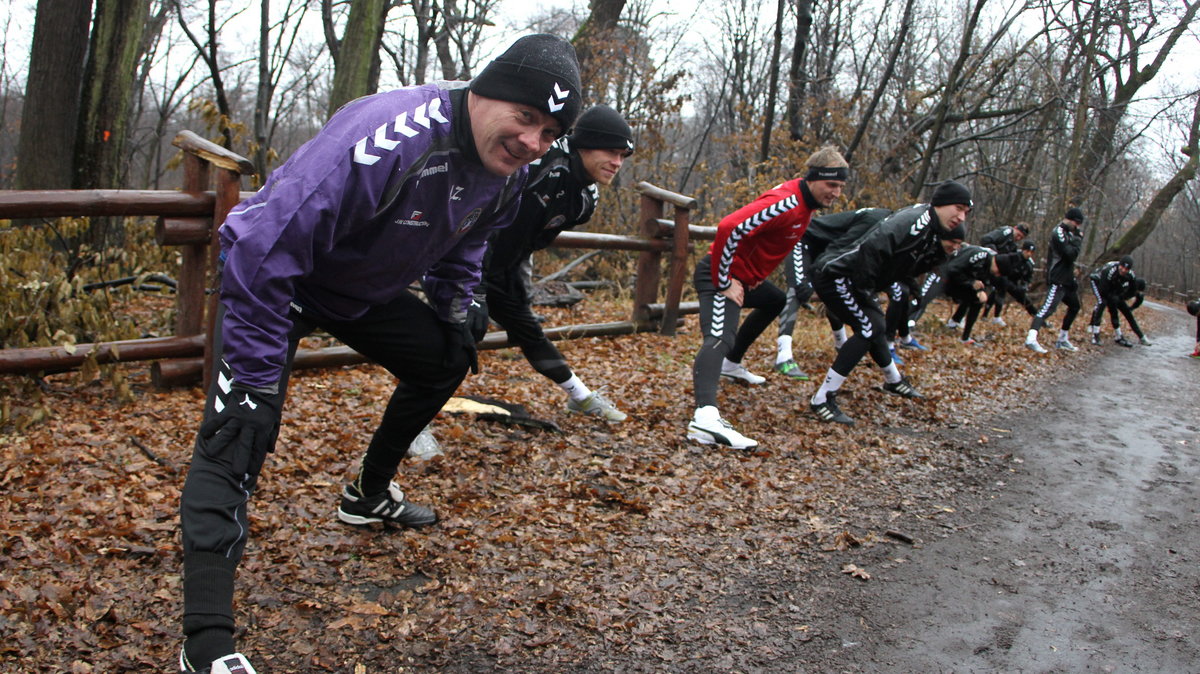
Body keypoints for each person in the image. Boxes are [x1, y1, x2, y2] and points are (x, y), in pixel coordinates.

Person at [176, 34, 583, 674]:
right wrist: (254, 380)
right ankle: (207, 645)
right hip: (278, 277)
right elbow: (258, 244)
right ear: (484, 92)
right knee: (238, 432)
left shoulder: (513, 171)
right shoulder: (392, 133)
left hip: (361, 290)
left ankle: (366, 495)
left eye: (550, 132)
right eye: (525, 117)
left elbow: (467, 239)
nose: (533, 141)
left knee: (445, 360)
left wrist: (455, 310)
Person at [686, 146, 848, 449]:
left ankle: (731, 365)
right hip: (719, 275)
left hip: (745, 278)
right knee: (720, 338)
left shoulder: (806, 205)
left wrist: (758, 271)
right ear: (813, 179)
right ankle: (704, 420)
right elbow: (729, 226)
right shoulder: (786, 203)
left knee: (774, 300)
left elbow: (771, 240)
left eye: (840, 186)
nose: (836, 193)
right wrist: (723, 281)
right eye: (831, 185)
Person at [481, 104, 634, 421]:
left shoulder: (584, 200)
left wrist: (515, 281)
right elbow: (484, 212)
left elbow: (532, 240)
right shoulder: (540, 161)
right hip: (464, 259)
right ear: (585, 144)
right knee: (454, 338)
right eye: (610, 152)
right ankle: (413, 424)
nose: (617, 163)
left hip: (504, 268)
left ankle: (581, 397)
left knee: (530, 332)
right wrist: (470, 287)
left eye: (623, 156)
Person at [808, 180, 972, 425]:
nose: (961, 217)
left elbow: (902, 265)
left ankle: (893, 381)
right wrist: (865, 289)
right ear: (941, 203)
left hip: (852, 279)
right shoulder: (917, 220)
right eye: (958, 208)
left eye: (965, 213)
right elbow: (873, 247)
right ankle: (822, 399)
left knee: (877, 327)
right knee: (869, 328)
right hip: (836, 275)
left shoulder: (930, 229)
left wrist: (912, 288)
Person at [771, 207, 893, 379]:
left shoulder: (892, 228)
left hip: (828, 251)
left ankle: (841, 344)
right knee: (799, 291)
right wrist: (815, 277)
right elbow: (841, 247)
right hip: (805, 240)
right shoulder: (876, 220)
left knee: (835, 293)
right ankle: (783, 357)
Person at [940, 245, 1027, 345]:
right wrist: (971, 282)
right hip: (945, 275)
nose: (997, 275)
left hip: (958, 281)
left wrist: (979, 290)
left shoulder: (989, 268)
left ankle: (963, 336)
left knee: (977, 299)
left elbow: (981, 282)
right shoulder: (980, 256)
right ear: (997, 265)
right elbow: (953, 269)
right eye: (998, 273)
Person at [1026, 207, 1085, 353]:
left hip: (1067, 279)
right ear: (1069, 219)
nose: (1078, 226)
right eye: (1076, 223)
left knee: (1075, 306)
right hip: (1057, 277)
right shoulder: (1058, 232)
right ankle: (1031, 338)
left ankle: (1063, 339)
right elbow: (1069, 254)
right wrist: (1077, 240)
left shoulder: (1071, 233)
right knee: (1047, 308)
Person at [1087, 255, 1150, 347]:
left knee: (1124, 311)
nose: (1124, 270)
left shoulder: (1131, 276)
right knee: (1102, 303)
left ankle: (1123, 336)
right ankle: (1095, 334)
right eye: (1122, 267)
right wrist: (1113, 299)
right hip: (1098, 281)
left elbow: (1132, 293)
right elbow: (1104, 291)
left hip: (1114, 289)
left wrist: (1127, 306)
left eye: (1126, 269)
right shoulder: (1109, 271)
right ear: (1119, 265)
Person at [978, 222, 1030, 325]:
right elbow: (986, 239)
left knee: (1002, 286)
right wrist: (995, 256)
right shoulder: (1005, 232)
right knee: (978, 288)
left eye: (1021, 237)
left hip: (997, 268)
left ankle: (996, 316)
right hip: (986, 263)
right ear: (1015, 228)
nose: (1019, 238)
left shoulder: (1013, 244)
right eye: (1018, 234)